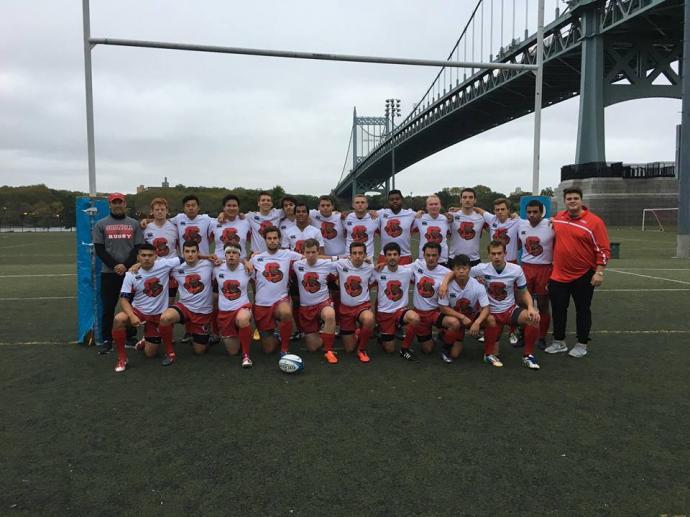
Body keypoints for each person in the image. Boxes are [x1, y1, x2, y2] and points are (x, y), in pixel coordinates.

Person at [545, 187, 610, 358]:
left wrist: (599, 272)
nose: (572, 201)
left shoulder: (594, 222)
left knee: (583, 309)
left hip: (583, 274)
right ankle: (559, 342)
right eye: (569, 199)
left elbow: (603, 249)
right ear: (564, 201)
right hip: (558, 275)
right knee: (558, 309)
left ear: (581, 200)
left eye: (575, 198)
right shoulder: (559, 218)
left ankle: (582, 344)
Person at [470, 240, 542, 369]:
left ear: (505, 254)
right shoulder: (480, 268)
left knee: (534, 318)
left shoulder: (516, 269)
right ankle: (488, 354)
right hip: (490, 312)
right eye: (493, 254)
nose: (496, 256)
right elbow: (460, 274)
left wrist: (531, 307)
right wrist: (474, 281)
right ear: (489, 255)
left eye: (499, 253)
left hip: (509, 310)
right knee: (494, 352)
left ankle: (528, 356)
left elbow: (524, 291)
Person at [112, 243, 181, 373]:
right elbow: (124, 299)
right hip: (139, 312)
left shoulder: (164, 264)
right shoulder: (130, 274)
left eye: (150, 255)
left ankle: (165, 350)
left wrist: (207, 256)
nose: (147, 258)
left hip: (158, 315)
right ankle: (122, 358)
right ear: (138, 257)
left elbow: (187, 258)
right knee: (118, 319)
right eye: (143, 255)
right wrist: (132, 316)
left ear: (156, 257)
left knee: (150, 354)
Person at [93, 192, 144, 353]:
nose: (117, 205)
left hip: (130, 273)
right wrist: (115, 266)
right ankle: (107, 339)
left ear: (124, 204)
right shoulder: (101, 224)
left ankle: (129, 335)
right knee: (108, 307)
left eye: (119, 202)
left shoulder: (134, 224)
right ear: (109, 205)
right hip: (109, 273)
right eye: (114, 202)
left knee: (130, 307)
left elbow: (137, 248)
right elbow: (99, 249)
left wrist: (126, 265)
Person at [159, 240, 216, 362]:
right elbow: (154, 264)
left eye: (193, 251)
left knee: (199, 351)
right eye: (187, 251)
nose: (190, 254)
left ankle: (203, 336)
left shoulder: (209, 264)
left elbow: (230, 261)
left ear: (198, 253)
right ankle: (169, 352)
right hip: (184, 307)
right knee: (165, 318)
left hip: (203, 311)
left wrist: (246, 261)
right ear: (182, 253)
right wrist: (137, 265)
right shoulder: (176, 268)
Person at [250, 226, 303, 355]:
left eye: (275, 238)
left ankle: (284, 349)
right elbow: (251, 279)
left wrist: (337, 259)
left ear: (279, 240)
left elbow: (311, 258)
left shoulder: (288, 254)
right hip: (262, 304)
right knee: (268, 350)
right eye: (269, 238)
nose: (272, 241)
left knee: (286, 312)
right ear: (265, 240)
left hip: (281, 300)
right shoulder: (256, 258)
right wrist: (246, 260)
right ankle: (277, 336)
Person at [409, 242, 463, 356]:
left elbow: (457, 273)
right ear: (423, 254)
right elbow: (398, 268)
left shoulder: (445, 272)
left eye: (434, 255)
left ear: (439, 256)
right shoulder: (417, 264)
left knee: (454, 323)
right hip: (419, 314)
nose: (431, 258)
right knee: (427, 350)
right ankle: (433, 337)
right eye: (428, 255)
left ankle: (445, 343)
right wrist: (383, 264)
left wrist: (445, 281)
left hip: (435, 312)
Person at [292, 239, 338, 363]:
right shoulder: (297, 265)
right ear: (303, 252)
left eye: (313, 252)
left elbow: (347, 262)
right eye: (308, 252)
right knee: (313, 347)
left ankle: (328, 350)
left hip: (323, 303)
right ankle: (326, 333)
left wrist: (366, 261)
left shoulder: (327, 264)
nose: (311, 255)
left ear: (318, 252)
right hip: (306, 307)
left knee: (329, 315)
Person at [438, 254, 491, 363]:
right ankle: (445, 348)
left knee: (491, 320)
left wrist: (477, 322)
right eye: (458, 268)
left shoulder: (477, 285)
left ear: (469, 269)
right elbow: (443, 308)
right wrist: (461, 317)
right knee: (454, 354)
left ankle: (489, 351)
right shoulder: (445, 285)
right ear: (453, 270)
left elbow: (486, 308)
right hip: (455, 318)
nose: (461, 271)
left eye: (464, 268)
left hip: (470, 318)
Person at [374, 242, 421, 360]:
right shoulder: (377, 271)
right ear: (385, 257)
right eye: (389, 255)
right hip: (384, 314)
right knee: (389, 350)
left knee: (415, 318)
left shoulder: (407, 270)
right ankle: (381, 333)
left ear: (400, 256)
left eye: (395, 254)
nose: (392, 257)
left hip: (400, 311)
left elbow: (422, 262)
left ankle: (404, 348)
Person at [518, 199, 554, 349]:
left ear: (541, 212)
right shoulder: (520, 224)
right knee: (522, 303)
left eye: (535, 212)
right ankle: (523, 334)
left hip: (544, 269)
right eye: (529, 212)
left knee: (543, 304)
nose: (532, 215)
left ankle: (541, 337)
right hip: (526, 267)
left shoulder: (552, 224)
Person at [214, 243, 254, 368]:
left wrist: (246, 261)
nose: (231, 255)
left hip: (242, 307)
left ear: (239, 255)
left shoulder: (247, 268)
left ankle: (246, 356)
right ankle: (243, 334)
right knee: (233, 352)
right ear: (224, 255)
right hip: (225, 312)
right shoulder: (216, 267)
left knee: (242, 319)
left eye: (235, 253)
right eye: (228, 253)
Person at [335, 242, 376, 363]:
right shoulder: (340, 264)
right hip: (345, 309)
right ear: (350, 255)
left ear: (365, 255)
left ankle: (362, 349)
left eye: (360, 253)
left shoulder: (370, 268)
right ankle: (358, 332)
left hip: (362, 306)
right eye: (354, 253)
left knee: (369, 318)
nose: (357, 256)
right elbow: (319, 261)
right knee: (349, 349)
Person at [143, 197, 179, 306]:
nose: (160, 212)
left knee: (170, 300)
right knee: (153, 298)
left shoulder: (175, 227)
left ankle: (168, 322)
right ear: (151, 211)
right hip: (152, 268)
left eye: (163, 209)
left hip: (171, 269)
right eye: (157, 209)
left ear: (167, 211)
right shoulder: (145, 228)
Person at [377, 190, 416, 265]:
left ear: (401, 200)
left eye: (397, 199)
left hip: (404, 255)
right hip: (385, 255)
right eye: (392, 199)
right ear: (388, 201)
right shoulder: (381, 213)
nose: (395, 201)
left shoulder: (411, 214)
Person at [448, 188, 486, 266]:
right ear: (460, 200)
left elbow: (497, 223)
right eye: (464, 197)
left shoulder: (482, 218)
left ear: (475, 200)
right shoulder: (451, 215)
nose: (467, 200)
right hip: (454, 259)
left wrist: (511, 215)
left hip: (474, 260)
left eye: (470, 197)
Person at [413, 194, 451, 267]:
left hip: (442, 260)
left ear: (440, 205)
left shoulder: (446, 219)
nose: (434, 206)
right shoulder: (419, 218)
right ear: (426, 207)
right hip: (424, 260)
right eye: (431, 204)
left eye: (436, 204)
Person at [210, 194, 251, 260]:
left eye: (234, 206)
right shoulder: (214, 223)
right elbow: (205, 241)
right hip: (220, 264)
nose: (232, 208)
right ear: (224, 208)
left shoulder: (246, 221)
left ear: (238, 207)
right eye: (229, 205)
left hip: (241, 264)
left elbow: (254, 240)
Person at [344, 194, 379, 259]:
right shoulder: (345, 217)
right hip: (349, 257)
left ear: (367, 205)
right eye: (357, 202)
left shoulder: (375, 217)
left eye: (362, 202)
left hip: (368, 258)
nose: (360, 204)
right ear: (353, 205)